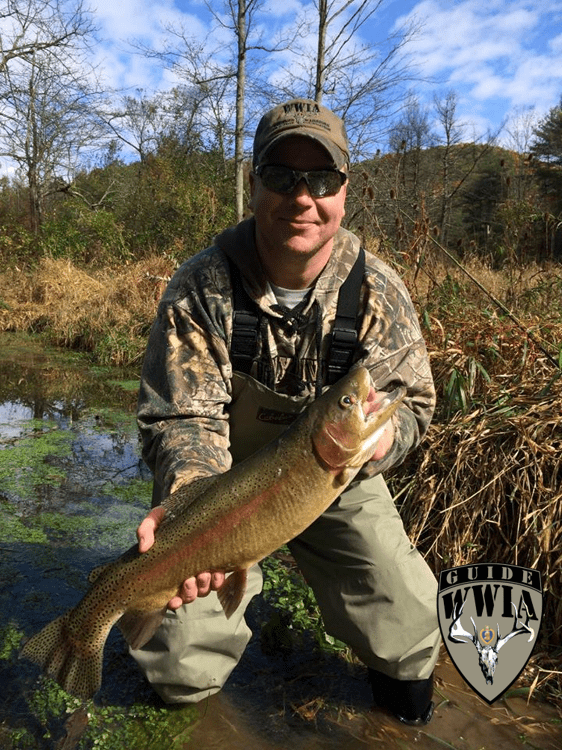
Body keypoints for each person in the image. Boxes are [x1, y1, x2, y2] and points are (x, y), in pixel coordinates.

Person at [132, 98, 441, 725]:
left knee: (409, 626)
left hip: (337, 472)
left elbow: (416, 401)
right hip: (226, 477)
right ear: (254, 184)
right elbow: (181, 420)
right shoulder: (202, 287)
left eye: (322, 179)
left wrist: (386, 439)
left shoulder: (378, 289)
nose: (303, 197)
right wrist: (192, 501)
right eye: (282, 176)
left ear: (345, 192)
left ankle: (400, 714)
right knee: (180, 667)